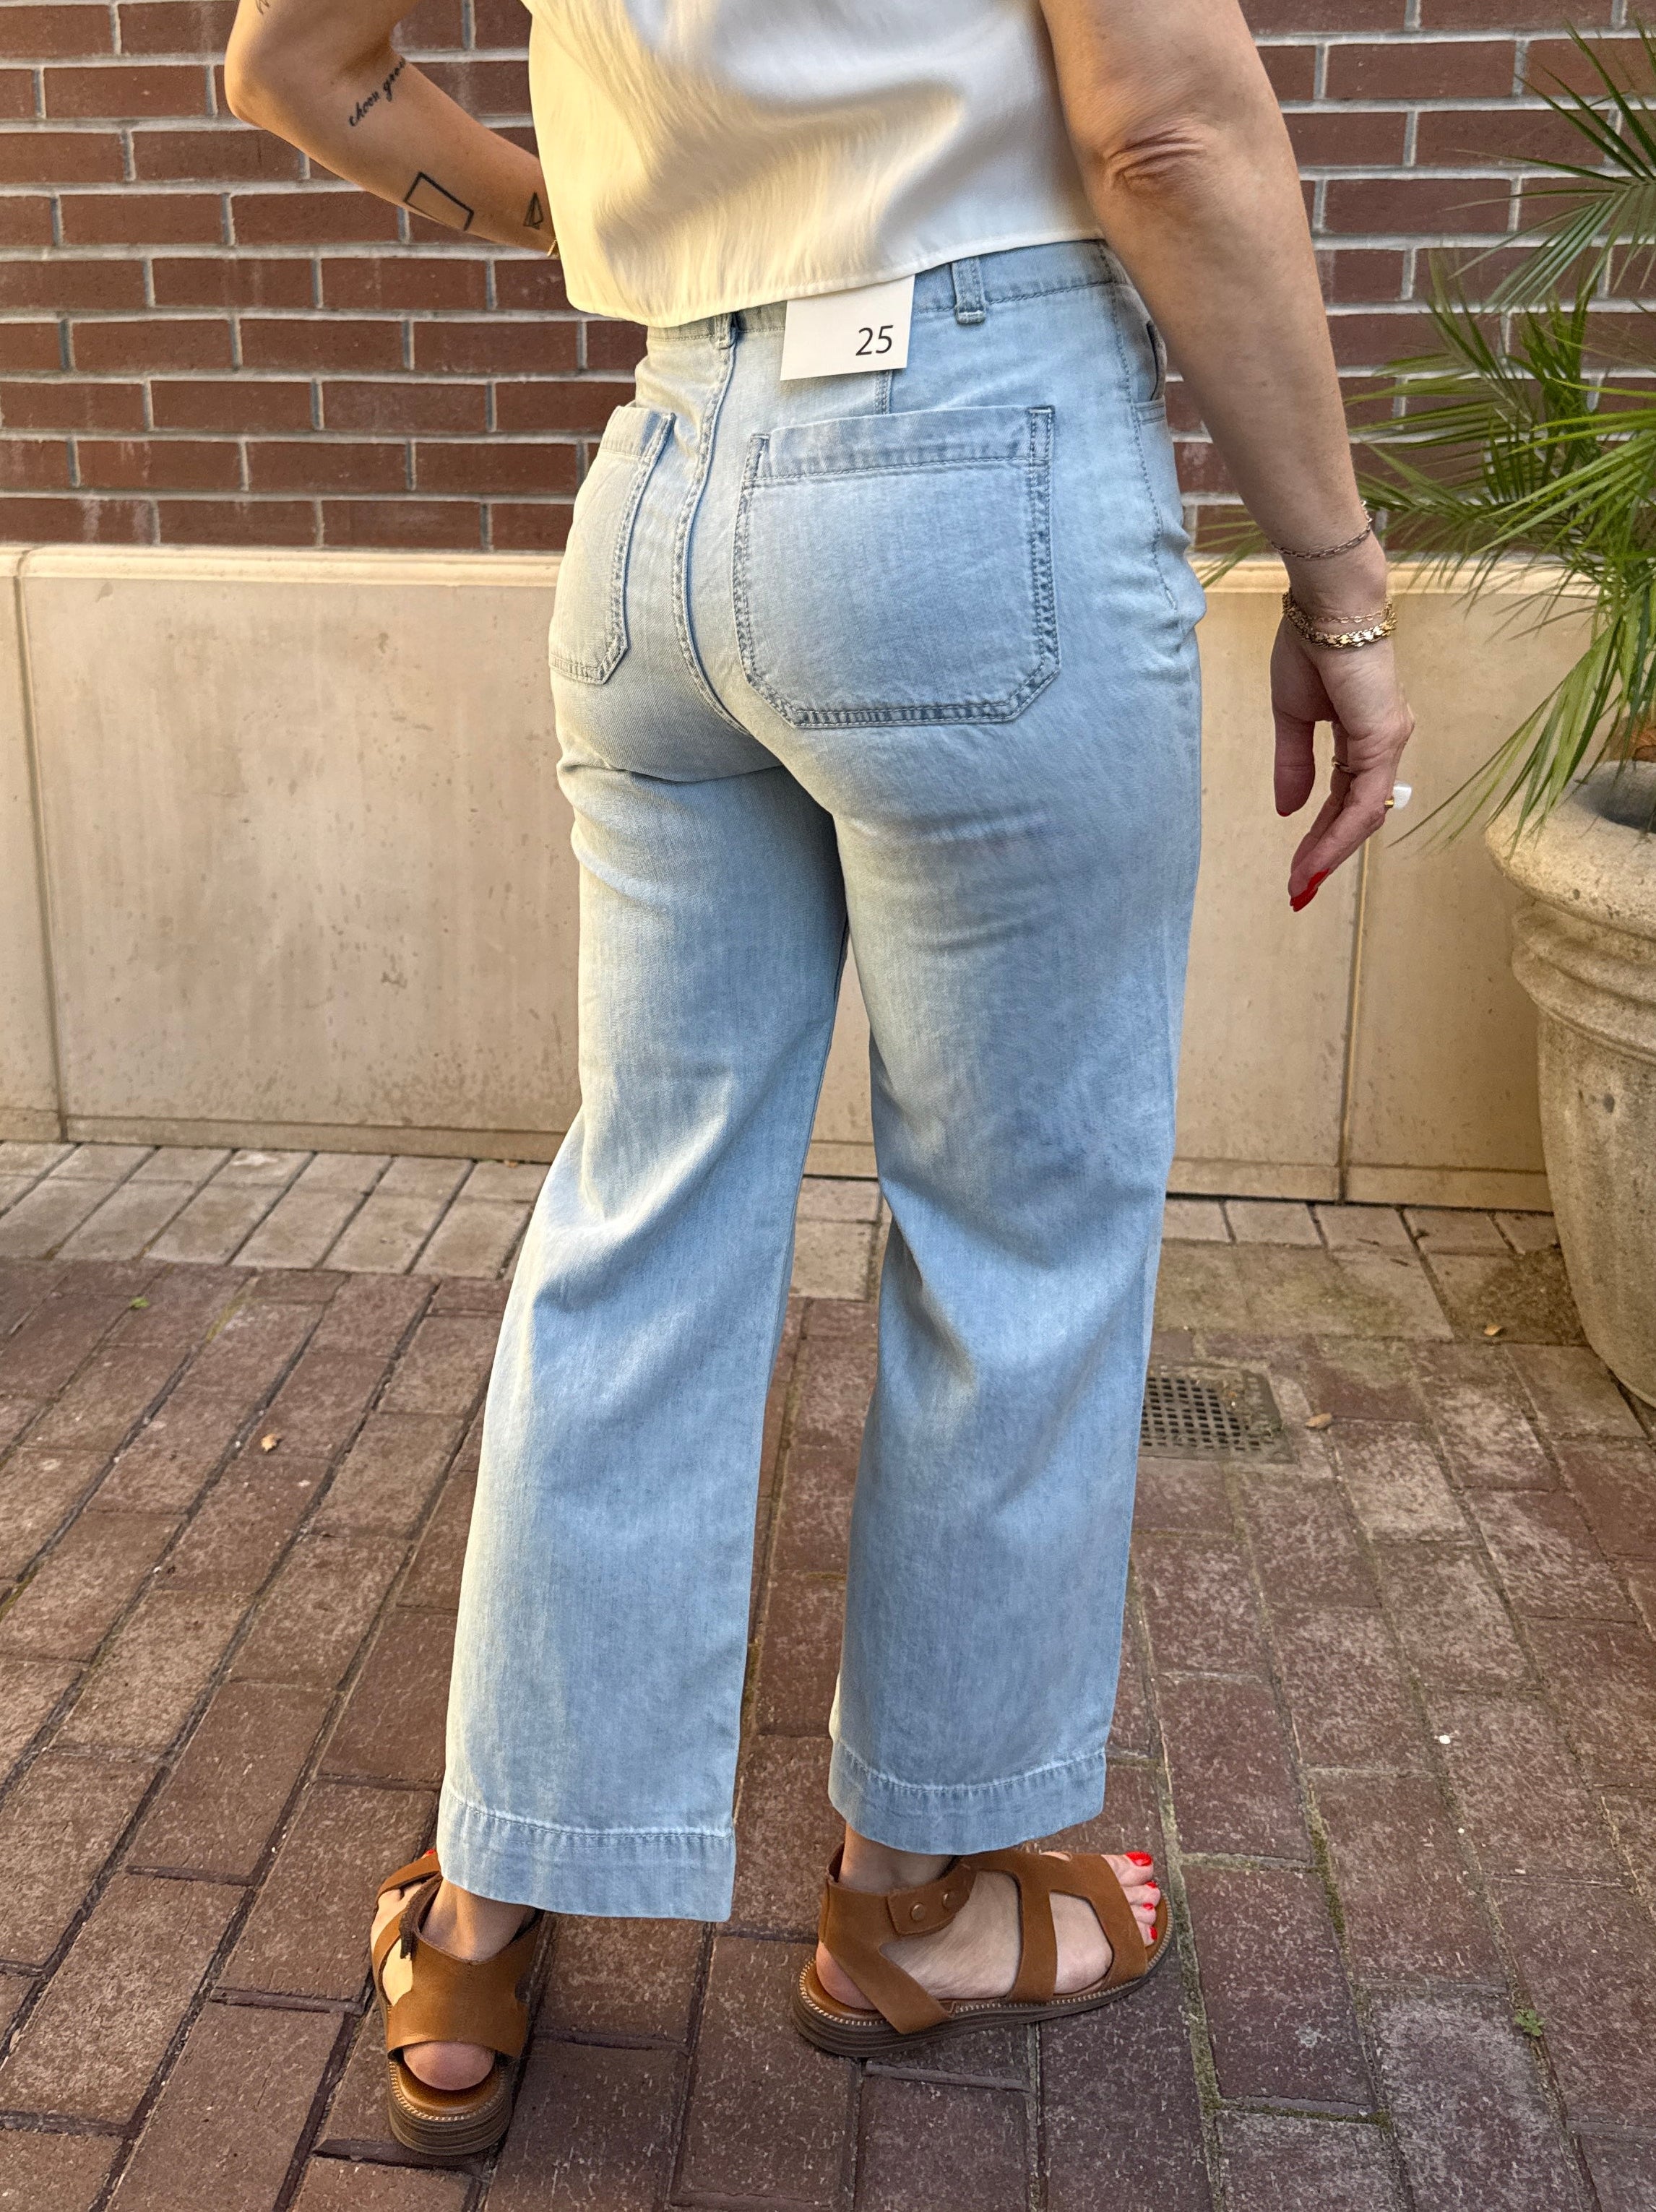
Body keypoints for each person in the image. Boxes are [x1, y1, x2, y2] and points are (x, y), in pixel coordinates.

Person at [227, 0, 1414, 2163]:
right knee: (1011, 1221)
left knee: (646, 1200)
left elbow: (296, 65)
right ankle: (906, 1904)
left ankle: (483, 1923)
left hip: (669, 473)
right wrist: (1338, 578)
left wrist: (608, 224)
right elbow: (1158, 124)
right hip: (978, 461)